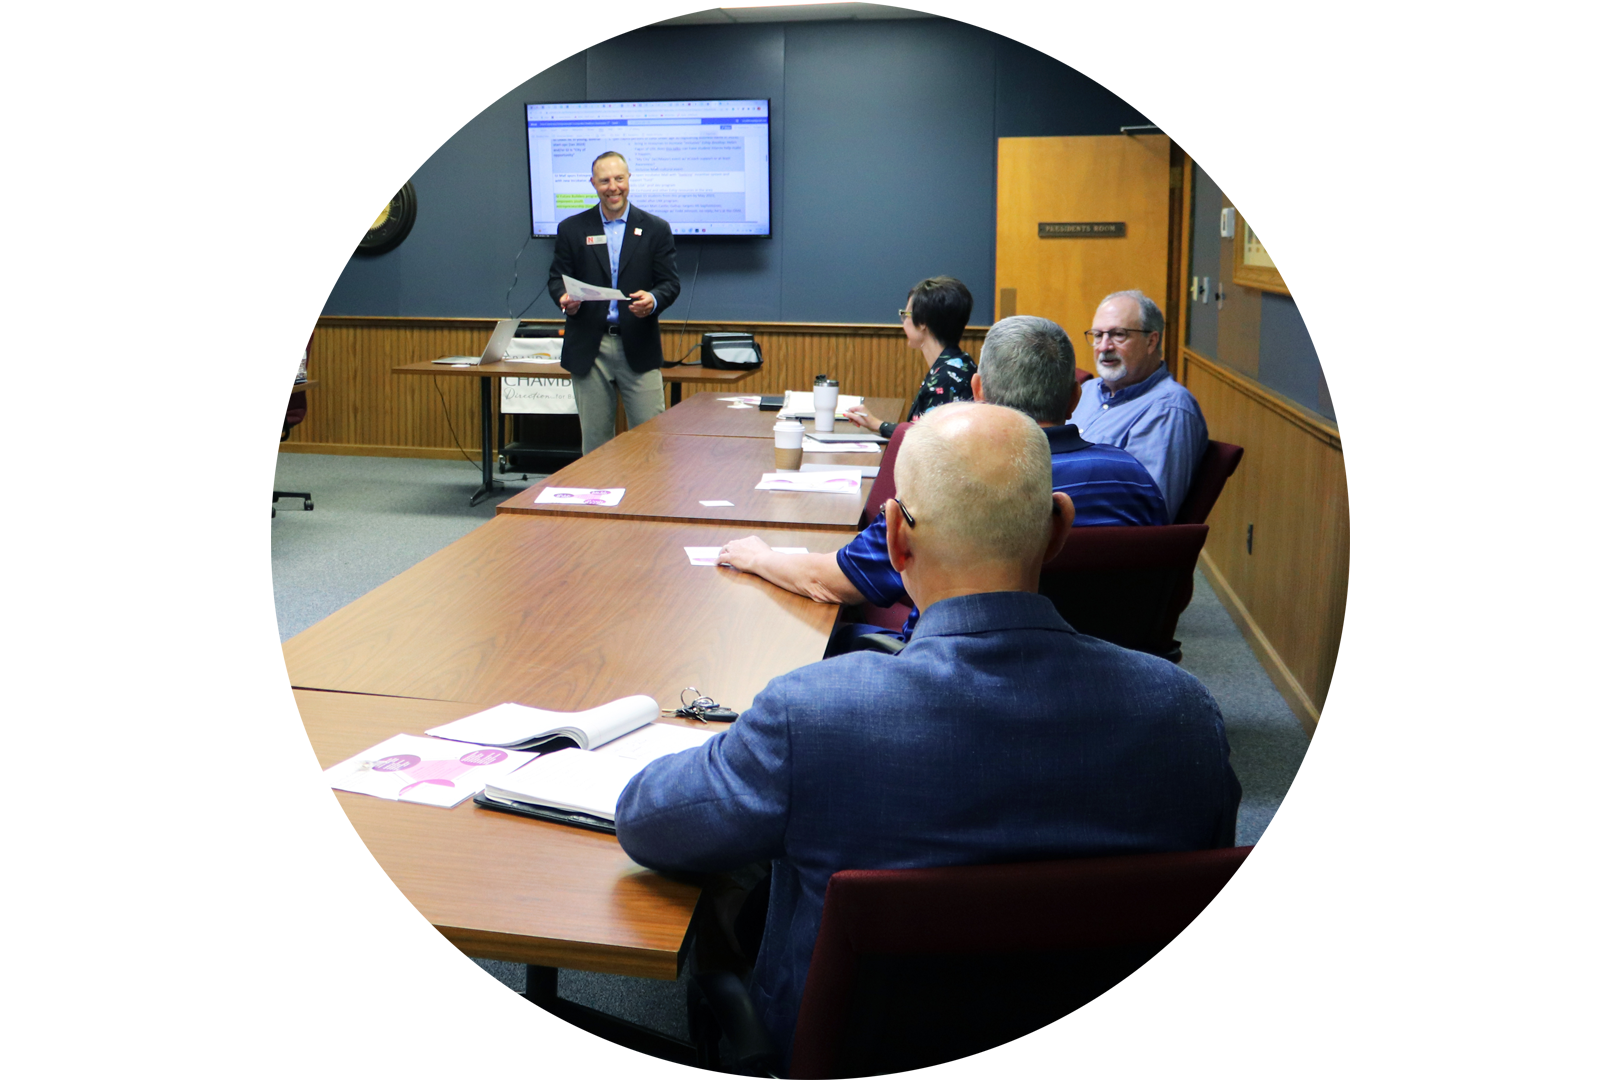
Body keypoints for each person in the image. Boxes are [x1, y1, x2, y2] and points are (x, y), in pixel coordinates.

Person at [617, 401, 1243, 1063]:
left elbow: (648, 822)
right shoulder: (1186, 717)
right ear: (1060, 527)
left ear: (895, 538)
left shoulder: (814, 713)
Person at [719, 315, 1168, 644]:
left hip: (950, 681)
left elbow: (832, 581)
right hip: (1111, 686)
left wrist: (758, 556)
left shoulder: (950, 478)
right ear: (1075, 397)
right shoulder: (1137, 480)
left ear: (978, 392)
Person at [547, 151, 681, 455]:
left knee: (652, 441)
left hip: (639, 343)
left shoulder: (655, 228)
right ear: (593, 183)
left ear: (629, 179)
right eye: (605, 180)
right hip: (589, 348)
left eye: (619, 179)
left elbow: (670, 284)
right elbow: (557, 279)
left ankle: (647, 504)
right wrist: (564, 298)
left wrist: (653, 300)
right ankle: (599, 503)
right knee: (596, 446)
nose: (613, 187)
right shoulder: (572, 228)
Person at [1071, 289, 1209, 518]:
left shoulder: (1168, 409)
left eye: (1118, 335)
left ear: (1151, 341)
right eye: (1097, 335)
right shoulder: (1087, 390)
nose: (1104, 347)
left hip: (1090, 538)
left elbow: (1144, 511)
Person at [844, 276, 976, 438]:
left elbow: (926, 440)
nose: (903, 321)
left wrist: (879, 425)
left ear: (922, 322)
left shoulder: (946, 379)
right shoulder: (960, 363)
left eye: (906, 314)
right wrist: (877, 424)